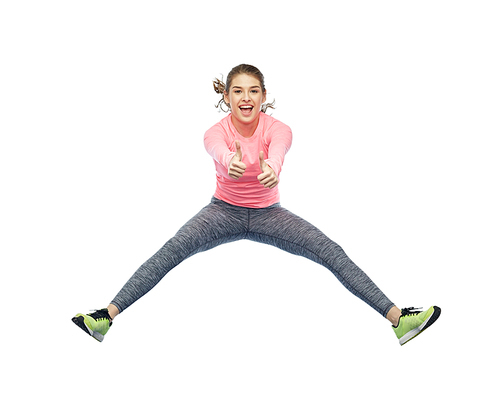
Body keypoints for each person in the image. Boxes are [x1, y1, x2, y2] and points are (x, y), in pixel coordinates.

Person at [72, 64, 440, 346]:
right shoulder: (215, 133)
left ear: (263, 95)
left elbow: (279, 150)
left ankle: (399, 321)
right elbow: (217, 149)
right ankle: (106, 316)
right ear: (227, 97)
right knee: (171, 251)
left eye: (252, 91)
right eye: (237, 91)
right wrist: (228, 160)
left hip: (269, 215)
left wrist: (272, 166)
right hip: (222, 212)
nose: (245, 98)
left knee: (330, 251)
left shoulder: (278, 128)